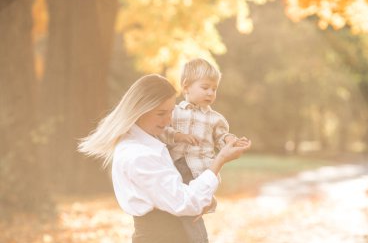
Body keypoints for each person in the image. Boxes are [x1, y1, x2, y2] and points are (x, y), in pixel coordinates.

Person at [78, 74, 251, 243]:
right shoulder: (138, 154)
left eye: (171, 113)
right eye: (161, 113)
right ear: (139, 110)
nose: (168, 121)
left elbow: (178, 193)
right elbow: (185, 201)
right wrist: (219, 160)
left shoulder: (149, 141)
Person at [159, 58, 244, 243]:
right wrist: (178, 135)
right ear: (186, 87)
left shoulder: (215, 119)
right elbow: (162, 131)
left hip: (198, 171)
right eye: (205, 87)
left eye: (214, 89)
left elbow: (221, 137)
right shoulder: (173, 111)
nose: (210, 93)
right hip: (174, 167)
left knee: (192, 215)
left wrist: (230, 140)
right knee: (174, 211)